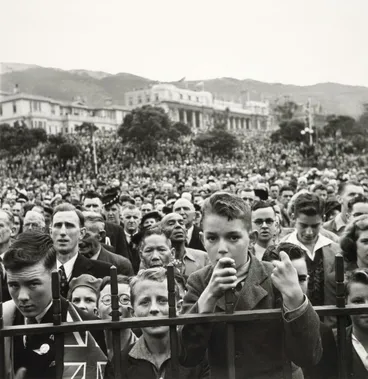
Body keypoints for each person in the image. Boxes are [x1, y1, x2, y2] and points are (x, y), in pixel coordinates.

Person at [179, 192, 322, 379]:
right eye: (212, 238)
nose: (222, 248)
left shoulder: (275, 276)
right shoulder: (198, 281)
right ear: (202, 238)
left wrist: (296, 299)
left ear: (251, 238)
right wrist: (207, 299)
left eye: (233, 237)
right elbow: (186, 356)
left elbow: (309, 355)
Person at [2, 231, 107, 379]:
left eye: (33, 284)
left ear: (56, 278)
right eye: (13, 285)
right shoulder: (5, 317)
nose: (22, 297)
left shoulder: (90, 327)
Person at [104, 268, 209, 379]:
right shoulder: (119, 363)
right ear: (132, 312)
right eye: (144, 302)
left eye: (162, 300)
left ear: (178, 307)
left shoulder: (202, 355)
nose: (154, 309)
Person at [262, 243, 338, 379]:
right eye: (283, 277)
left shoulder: (323, 332)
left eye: (301, 279)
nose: (293, 286)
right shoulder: (251, 326)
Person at [281, 192, 340, 306]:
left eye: (315, 226)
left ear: (323, 219)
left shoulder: (334, 247)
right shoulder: (282, 248)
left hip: (329, 318)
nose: (309, 232)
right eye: (303, 225)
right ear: (293, 218)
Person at [51, 203, 112, 298]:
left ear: (82, 233)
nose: (63, 232)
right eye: (58, 226)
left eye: (69, 226)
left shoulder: (103, 272)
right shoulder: (38, 270)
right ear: (50, 232)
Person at [97, 275, 137, 360]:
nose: (116, 304)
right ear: (97, 312)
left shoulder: (144, 349)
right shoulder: (90, 350)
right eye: (107, 300)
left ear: (134, 310)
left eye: (125, 299)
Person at [81, 211, 134, 276]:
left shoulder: (120, 265)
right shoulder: (68, 261)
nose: (80, 241)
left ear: (100, 235)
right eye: (77, 235)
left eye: (86, 236)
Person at [160, 213, 210, 278]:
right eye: (171, 224)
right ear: (162, 232)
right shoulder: (158, 259)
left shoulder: (203, 257)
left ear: (186, 232)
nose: (178, 226)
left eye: (181, 223)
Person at [84, 191, 129, 258]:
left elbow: (123, 258)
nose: (91, 209)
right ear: (83, 207)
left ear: (102, 208)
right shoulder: (76, 229)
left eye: (95, 206)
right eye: (88, 206)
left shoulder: (116, 230)